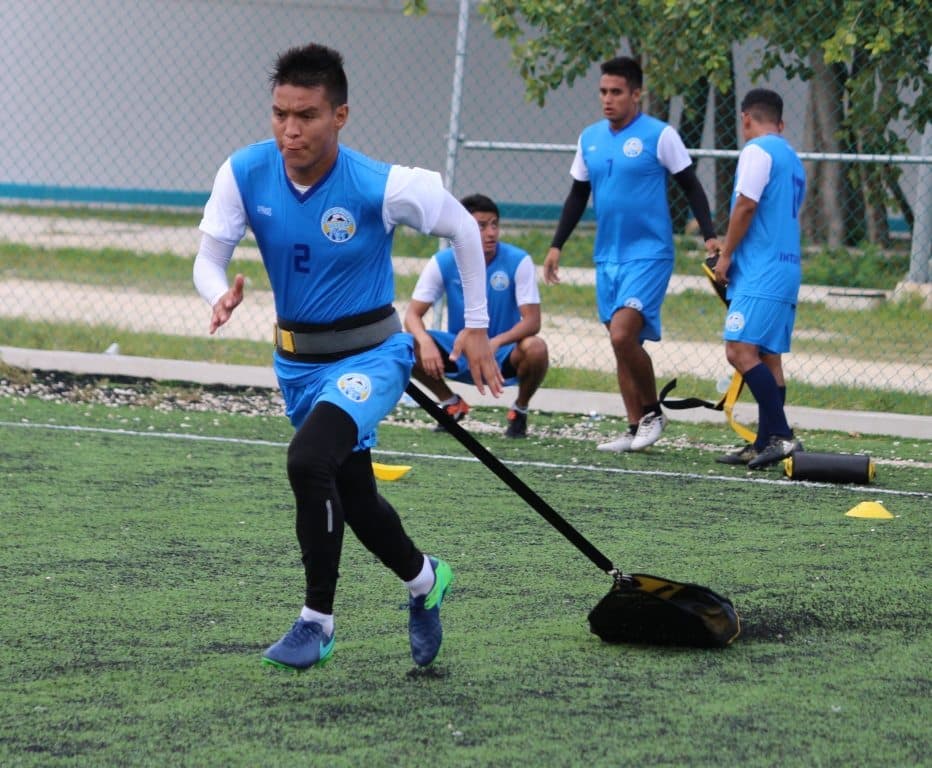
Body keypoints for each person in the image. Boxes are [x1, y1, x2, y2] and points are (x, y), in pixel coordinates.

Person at [193, 43, 503, 671]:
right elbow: (209, 257)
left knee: (308, 462)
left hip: (372, 358)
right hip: (298, 367)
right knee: (354, 497)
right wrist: (216, 293)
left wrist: (475, 326)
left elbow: (463, 228)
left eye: (306, 115)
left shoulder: (380, 185)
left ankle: (317, 622)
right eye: (280, 113)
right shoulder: (244, 171)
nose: (289, 130)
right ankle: (425, 580)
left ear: (340, 116)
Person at [543, 56, 719, 453]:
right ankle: (634, 424)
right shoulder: (589, 138)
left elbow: (691, 185)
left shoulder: (660, 135)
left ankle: (653, 413)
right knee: (619, 342)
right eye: (603, 92)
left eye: (617, 92)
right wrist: (556, 245)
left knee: (624, 334)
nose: (608, 99)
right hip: (608, 257)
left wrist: (710, 235)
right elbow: (577, 195)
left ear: (636, 94)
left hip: (650, 254)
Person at [404, 194, 549, 439]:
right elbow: (412, 315)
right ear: (463, 226)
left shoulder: (518, 260)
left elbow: (533, 321)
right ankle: (451, 403)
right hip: (459, 351)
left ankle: (519, 409)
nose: (491, 233)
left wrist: (496, 342)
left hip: (502, 354)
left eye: (494, 224)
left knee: (536, 348)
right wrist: (425, 341)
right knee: (405, 344)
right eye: (481, 226)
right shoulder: (443, 261)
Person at [712, 88, 806, 469]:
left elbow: (746, 205)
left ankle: (781, 436)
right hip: (786, 267)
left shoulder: (756, 151)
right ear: (780, 123)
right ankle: (765, 442)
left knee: (738, 350)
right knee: (769, 358)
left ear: (746, 118)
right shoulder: (792, 159)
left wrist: (726, 255)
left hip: (761, 271)